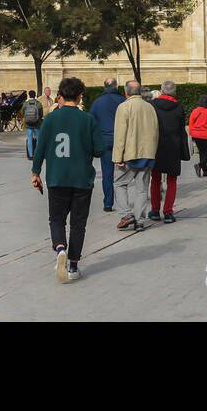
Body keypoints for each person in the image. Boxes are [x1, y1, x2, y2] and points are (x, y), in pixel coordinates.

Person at [31, 76, 105, 283]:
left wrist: (35, 172)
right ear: (80, 96)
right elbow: (99, 150)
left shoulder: (51, 119)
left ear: (61, 96)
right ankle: (73, 265)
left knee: (56, 219)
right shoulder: (88, 120)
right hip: (82, 180)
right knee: (78, 224)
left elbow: (41, 149)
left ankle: (60, 248)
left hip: (56, 178)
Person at [112, 80, 159, 230]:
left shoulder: (123, 107)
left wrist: (117, 156)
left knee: (119, 183)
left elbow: (120, 134)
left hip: (129, 154)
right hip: (147, 154)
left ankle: (126, 213)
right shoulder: (150, 107)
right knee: (142, 188)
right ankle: (139, 220)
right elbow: (156, 132)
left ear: (126, 92)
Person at [149, 80, 190, 222]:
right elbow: (182, 130)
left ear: (161, 90)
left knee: (155, 179)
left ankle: (155, 210)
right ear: (175, 92)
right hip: (173, 147)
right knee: (172, 180)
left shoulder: (152, 105)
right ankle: (168, 212)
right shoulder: (179, 107)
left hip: (156, 146)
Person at [89, 78, 125, 212]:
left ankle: (108, 203)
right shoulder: (123, 101)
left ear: (104, 87)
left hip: (105, 141)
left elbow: (92, 122)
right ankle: (124, 203)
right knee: (125, 173)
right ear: (116, 86)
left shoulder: (97, 102)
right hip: (122, 141)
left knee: (107, 173)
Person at [188, 95, 207, 178]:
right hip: (206, 135)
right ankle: (200, 165)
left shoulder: (194, 111)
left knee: (202, 152)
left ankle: (205, 171)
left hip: (196, 135)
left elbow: (191, 123)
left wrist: (192, 132)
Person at [22, 89, 45, 161]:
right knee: (38, 139)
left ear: (29, 95)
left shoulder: (26, 103)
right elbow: (41, 114)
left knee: (29, 139)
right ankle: (38, 154)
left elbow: (23, 112)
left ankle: (31, 155)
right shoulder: (38, 103)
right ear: (35, 95)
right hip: (37, 124)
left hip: (29, 124)